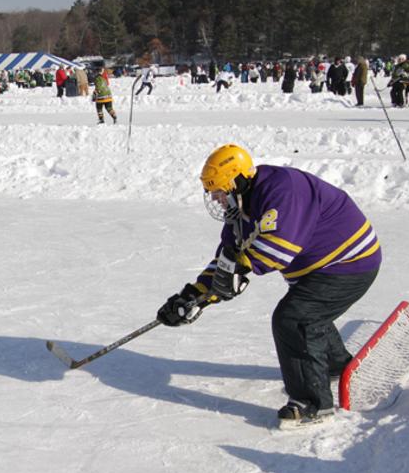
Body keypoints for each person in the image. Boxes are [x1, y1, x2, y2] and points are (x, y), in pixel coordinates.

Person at [156, 144, 381, 427]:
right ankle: (337, 364)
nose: (217, 199)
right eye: (212, 193)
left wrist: (238, 272)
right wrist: (194, 296)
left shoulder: (282, 190)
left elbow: (278, 249)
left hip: (350, 262)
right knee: (307, 314)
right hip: (319, 269)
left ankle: (312, 403)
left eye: (220, 191)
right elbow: (230, 257)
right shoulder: (242, 205)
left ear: (237, 181)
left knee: (293, 318)